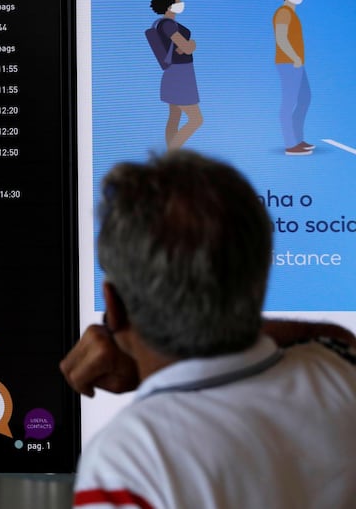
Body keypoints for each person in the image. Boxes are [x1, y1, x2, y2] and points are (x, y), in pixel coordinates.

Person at [61, 151, 356, 508]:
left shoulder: (131, 458)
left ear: (115, 305)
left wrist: (140, 350)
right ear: (260, 277)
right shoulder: (340, 372)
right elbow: (337, 339)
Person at [150, 0, 203, 150]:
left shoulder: (162, 24)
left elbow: (181, 48)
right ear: (168, 3)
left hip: (175, 73)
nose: (180, 2)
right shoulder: (168, 25)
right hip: (180, 74)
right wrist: (192, 44)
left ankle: (171, 157)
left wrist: (186, 46)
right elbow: (186, 48)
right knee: (196, 119)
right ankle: (172, 155)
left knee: (175, 115)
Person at [274, 0, 313, 156]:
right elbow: (281, 38)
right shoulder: (283, 13)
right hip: (289, 63)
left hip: (297, 63)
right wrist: (295, 57)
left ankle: (298, 139)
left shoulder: (291, 13)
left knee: (304, 98)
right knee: (289, 102)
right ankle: (291, 145)